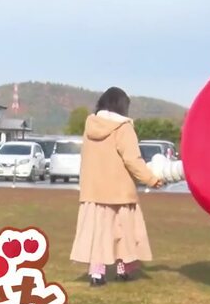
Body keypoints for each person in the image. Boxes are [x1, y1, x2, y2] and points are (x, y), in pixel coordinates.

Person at [70, 87, 164, 287]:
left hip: (93, 190)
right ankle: (123, 270)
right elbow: (132, 159)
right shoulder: (124, 127)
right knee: (124, 232)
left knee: (98, 234)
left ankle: (96, 274)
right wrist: (151, 179)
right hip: (120, 191)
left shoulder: (90, 126)